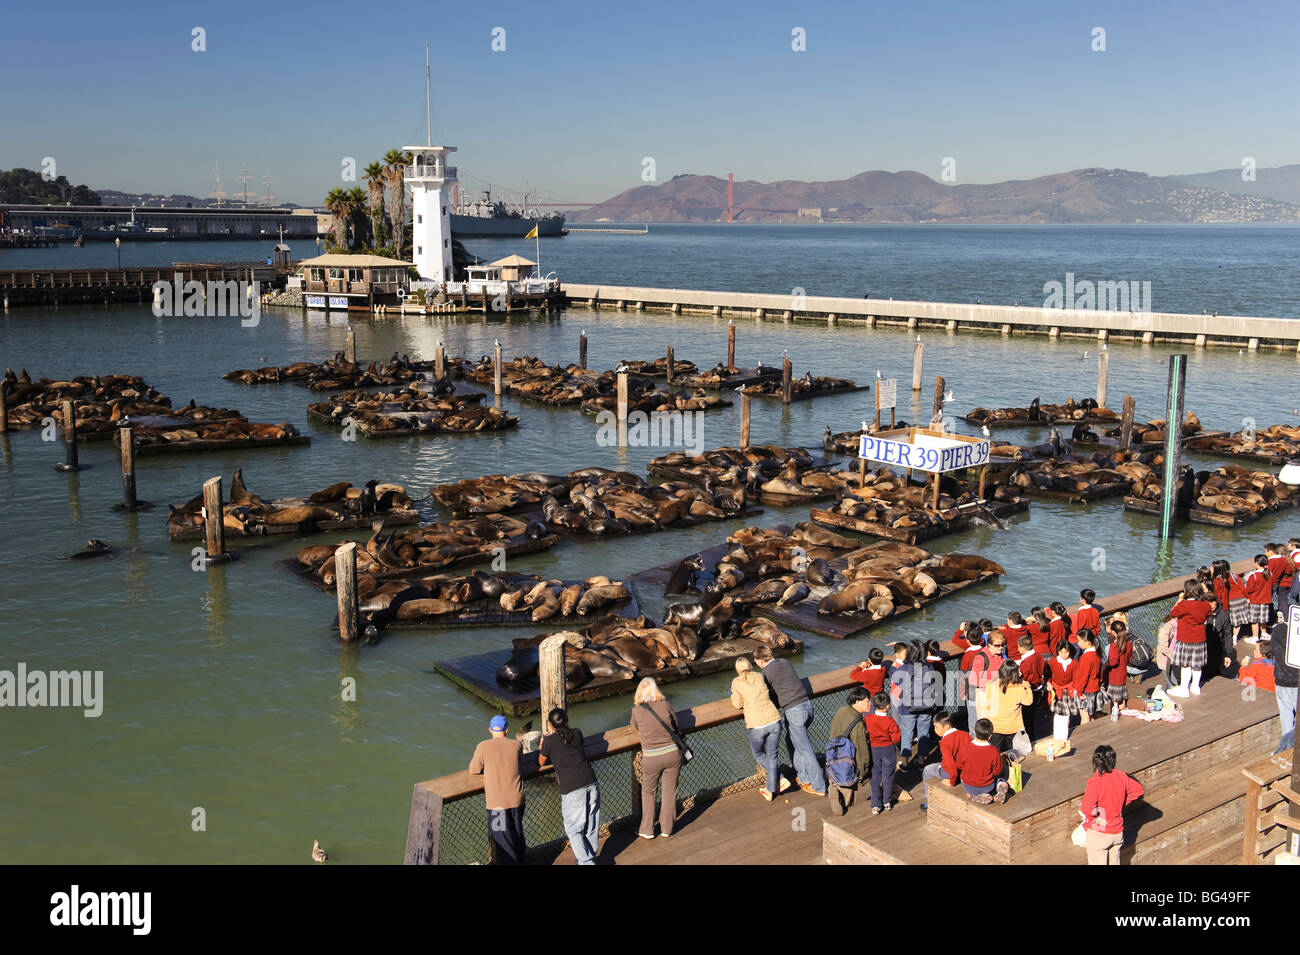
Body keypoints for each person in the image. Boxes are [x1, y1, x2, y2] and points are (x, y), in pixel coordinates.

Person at [755, 645, 826, 796]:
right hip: (807, 706)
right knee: (792, 740)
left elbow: (766, 694)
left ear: (761, 660)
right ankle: (803, 777)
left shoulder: (766, 673)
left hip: (794, 711)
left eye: (756, 660)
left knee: (805, 750)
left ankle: (819, 786)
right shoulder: (784, 662)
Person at [538, 708, 600, 865]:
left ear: (550, 725)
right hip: (590, 781)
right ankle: (587, 857)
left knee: (573, 829)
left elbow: (541, 761)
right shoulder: (577, 733)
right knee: (591, 824)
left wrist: (542, 746)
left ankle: (586, 862)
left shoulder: (549, 741)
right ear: (566, 719)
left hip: (572, 788)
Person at [467, 715, 526, 864]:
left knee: (502, 843)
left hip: (497, 806)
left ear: (490, 730)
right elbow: (519, 760)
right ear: (506, 730)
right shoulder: (516, 745)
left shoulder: (483, 746)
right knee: (517, 835)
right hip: (517, 801)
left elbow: (474, 769)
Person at [630, 678, 682, 839]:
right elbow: (676, 724)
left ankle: (647, 829)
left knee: (648, 792)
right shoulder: (665, 704)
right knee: (669, 792)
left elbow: (634, 727)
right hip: (672, 754)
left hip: (651, 757)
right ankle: (667, 828)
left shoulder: (637, 710)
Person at [730, 657, 786, 801]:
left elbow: (737, 704)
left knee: (759, 753)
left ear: (737, 669)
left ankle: (776, 782)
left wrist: (733, 696)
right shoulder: (760, 676)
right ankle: (775, 784)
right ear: (750, 665)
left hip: (756, 724)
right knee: (772, 755)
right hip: (774, 719)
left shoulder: (736, 682)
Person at [1079, 744, 1144, 865]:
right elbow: (1138, 790)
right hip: (1117, 832)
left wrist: (1099, 816)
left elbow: (1087, 809)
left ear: (1095, 762)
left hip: (1100, 832)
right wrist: (1121, 803)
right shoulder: (1122, 776)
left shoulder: (1095, 782)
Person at [826, 685, 873, 815]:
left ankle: (834, 787)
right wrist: (863, 773)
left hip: (834, 753)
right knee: (850, 787)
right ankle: (842, 796)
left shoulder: (841, 711)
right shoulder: (858, 724)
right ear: (857, 702)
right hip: (849, 759)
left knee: (838, 774)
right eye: (867, 701)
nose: (870, 703)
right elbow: (862, 752)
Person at [891, 640, 938, 766]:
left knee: (907, 733)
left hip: (908, 707)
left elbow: (894, 677)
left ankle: (905, 762)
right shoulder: (929, 666)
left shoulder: (905, 668)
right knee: (924, 733)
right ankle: (921, 761)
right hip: (926, 705)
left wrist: (894, 665)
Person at [1167, 580, 1213, 697]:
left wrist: (1180, 599)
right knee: (1197, 665)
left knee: (1186, 665)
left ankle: (1184, 688)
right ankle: (1195, 686)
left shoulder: (1184, 604)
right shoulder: (1205, 604)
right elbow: (1208, 613)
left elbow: (1173, 613)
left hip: (1186, 638)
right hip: (1200, 638)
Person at [920, 710, 970, 811]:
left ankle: (929, 802)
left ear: (946, 727)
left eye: (937, 727)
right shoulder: (965, 735)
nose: (935, 730)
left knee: (928, 769)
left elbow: (950, 764)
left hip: (950, 772)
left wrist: (952, 781)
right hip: (964, 770)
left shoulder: (945, 742)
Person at [864, 692, 902, 814]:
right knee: (888, 776)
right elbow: (896, 738)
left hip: (873, 749)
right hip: (888, 749)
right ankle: (886, 801)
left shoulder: (868, 719)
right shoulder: (890, 721)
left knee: (875, 777)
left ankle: (875, 804)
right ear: (887, 706)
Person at [956, 719, 1009, 804]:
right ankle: (1000, 785)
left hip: (969, 786)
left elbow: (959, 765)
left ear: (974, 732)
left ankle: (974, 796)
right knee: (1000, 776)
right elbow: (997, 770)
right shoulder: (994, 751)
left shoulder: (965, 748)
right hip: (988, 786)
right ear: (990, 736)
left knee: (965, 778)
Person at [985, 660, 1033, 751]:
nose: (1021, 673)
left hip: (996, 727)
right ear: (1013, 674)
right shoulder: (1019, 689)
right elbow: (1028, 702)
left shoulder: (992, 685)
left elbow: (987, 703)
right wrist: (1028, 688)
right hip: (1013, 728)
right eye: (1018, 671)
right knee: (1013, 754)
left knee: (995, 752)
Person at [1270, 617, 1298, 755]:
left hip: (1280, 681)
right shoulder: (1295, 638)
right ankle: (1286, 749)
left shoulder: (1277, 631)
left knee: (1286, 719)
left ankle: (1285, 751)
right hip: (1296, 683)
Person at [1016, 633, 1048, 737]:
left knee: (1027, 716)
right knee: (1033, 713)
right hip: (1038, 687)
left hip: (1030, 689)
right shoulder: (1039, 656)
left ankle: (1029, 736)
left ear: (1022, 648)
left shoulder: (1026, 662)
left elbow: (1023, 676)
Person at [1072, 628, 1105, 723]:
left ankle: (1085, 736)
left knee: (1084, 716)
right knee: (1091, 715)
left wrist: (1079, 691)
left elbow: (1083, 676)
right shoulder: (1097, 654)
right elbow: (1100, 673)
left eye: (1079, 641)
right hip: (1094, 687)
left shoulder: (1086, 657)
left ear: (1088, 642)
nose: (1078, 643)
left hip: (1085, 690)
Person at [1048, 639, 1077, 740]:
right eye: (1061, 652)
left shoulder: (1073, 663)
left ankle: (1064, 736)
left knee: (1066, 714)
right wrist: (1048, 683)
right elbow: (1048, 675)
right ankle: (1057, 736)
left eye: (1066, 652)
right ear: (1058, 652)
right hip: (1056, 691)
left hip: (1068, 691)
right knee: (1057, 713)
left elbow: (1075, 677)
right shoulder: (1052, 662)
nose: (1064, 655)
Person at [1243, 555, 1273, 644]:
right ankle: (1264, 633)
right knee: (1263, 619)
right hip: (1266, 600)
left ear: (1256, 563)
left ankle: (1255, 636)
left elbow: (1249, 589)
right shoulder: (1270, 573)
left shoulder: (1254, 575)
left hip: (1255, 601)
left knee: (1254, 620)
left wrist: (1247, 581)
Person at [1105, 619, 1133, 711]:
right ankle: (1123, 712)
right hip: (1123, 673)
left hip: (1114, 676)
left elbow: (1113, 662)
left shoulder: (1114, 646)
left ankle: (1115, 715)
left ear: (1113, 632)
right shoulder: (1128, 644)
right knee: (1121, 700)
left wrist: (1106, 664)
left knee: (1115, 700)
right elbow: (1130, 659)